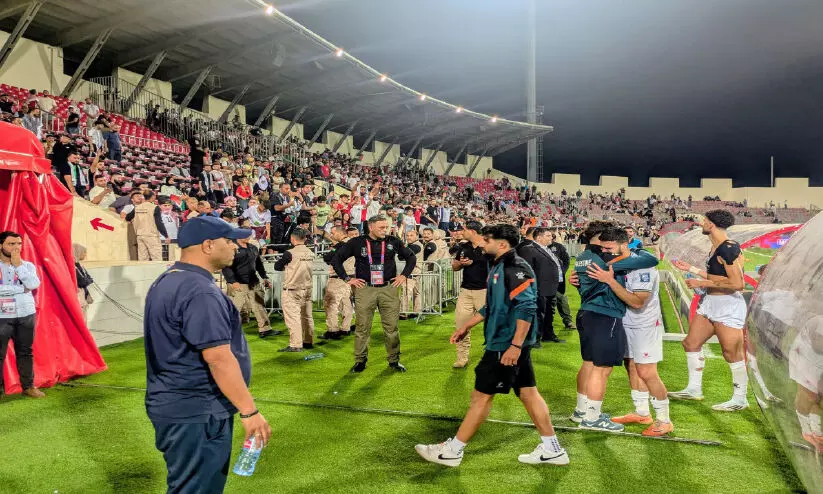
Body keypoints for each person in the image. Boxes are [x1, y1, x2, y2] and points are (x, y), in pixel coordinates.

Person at [414, 224, 568, 467]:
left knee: (481, 396)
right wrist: (467, 326)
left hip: (506, 344)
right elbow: (493, 305)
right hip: (508, 342)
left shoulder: (515, 267)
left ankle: (452, 451)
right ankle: (553, 449)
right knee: (528, 393)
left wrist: (515, 346)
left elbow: (527, 307)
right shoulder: (497, 264)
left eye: (487, 240)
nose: (482, 244)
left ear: (502, 244)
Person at [144, 216, 271, 493]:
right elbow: (218, 358)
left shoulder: (169, 279)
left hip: (179, 405)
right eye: (229, 240)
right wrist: (249, 411)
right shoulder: (199, 290)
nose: (235, 246)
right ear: (208, 245)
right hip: (197, 409)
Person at [571, 224, 659, 432]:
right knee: (602, 369)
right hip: (604, 315)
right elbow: (650, 259)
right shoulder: (606, 260)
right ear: (598, 237)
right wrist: (630, 249)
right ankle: (592, 418)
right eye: (604, 240)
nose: (606, 247)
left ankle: (581, 411)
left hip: (586, 313)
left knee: (589, 364)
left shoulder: (583, 257)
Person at [586, 236, 673, 436]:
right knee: (631, 366)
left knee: (647, 371)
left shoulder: (643, 267)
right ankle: (642, 412)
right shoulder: (620, 264)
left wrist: (609, 280)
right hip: (625, 322)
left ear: (624, 245)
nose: (605, 251)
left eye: (609, 247)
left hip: (644, 325)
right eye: (603, 248)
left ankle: (664, 420)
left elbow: (637, 302)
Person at [669, 209, 749, 411]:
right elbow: (718, 277)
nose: (702, 224)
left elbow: (738, 284)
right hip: (710, 303)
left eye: (704, 221)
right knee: (690, 343)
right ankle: (694, 389)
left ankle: (740, 399)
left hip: (728, 306)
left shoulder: (728, 248)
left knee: (731, 353)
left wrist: (700, 282)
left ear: (711, 224)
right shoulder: (717, 247)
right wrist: (691, 269)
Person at [330, 215, 416, 373]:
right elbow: (336, 260)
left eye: (386, 227)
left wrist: (404, 275)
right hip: (365, 289)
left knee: (392, 327)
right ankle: (360, 361)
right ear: (371, 227)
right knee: (362, 327)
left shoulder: (393, 241)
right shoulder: (357, 242)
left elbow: (411, 257)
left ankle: (394, 360)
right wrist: (348, 279)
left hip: (388, 288)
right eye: (381, 227)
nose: (385, 230)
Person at [0, 231, 44, 398]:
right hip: (3, 314)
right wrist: (20, 289)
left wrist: (18, 265)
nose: (16, 247)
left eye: (19, 244)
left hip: (26, 313)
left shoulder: (27, 266)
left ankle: (28, 386)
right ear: (1, 246)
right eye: (11, 244)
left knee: (25, 351)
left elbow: (33, 284)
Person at [450, 220, 489, 368]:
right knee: (461, 325)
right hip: (465, 291)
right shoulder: (464, 246)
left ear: (472, 231)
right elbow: (454, 267)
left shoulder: (488, 245)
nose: (462, 232)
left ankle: (494, 355)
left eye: (464, 229)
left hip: (485, 291)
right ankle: (462, 358)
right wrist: (461, 263)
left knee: (492, 325)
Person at [222, 234, 276, 339]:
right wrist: (232, 281)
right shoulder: (232, 247)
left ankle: (265, 329)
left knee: (259, 305)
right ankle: (225, 331)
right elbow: (226, 266)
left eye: (249, 235)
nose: (248, 237)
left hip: (253, 281)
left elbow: (259, 264)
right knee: (234, 307)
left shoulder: (253, 248)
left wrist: (265, 277)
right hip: (238, 283)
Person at [516, 227, 562, 345]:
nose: (551, 237)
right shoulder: (528, 249)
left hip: (550, 287)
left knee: (549, 313)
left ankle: (548, 334)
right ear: (539, 238)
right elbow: (526, 270)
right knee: (538, 314)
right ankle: (534, 338)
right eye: (548, 235)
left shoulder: (546, 249)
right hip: (539, 288)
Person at [274, 228, 316, 352]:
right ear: (305, 238)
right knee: (307, 316)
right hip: (307, 288)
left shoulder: (289, 253)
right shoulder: (310, 252)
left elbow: (277, 266)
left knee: (293, 318)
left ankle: (296, 344)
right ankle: (308, 340)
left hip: (293, 289)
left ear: (292, 239)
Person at [321, 226, 355, 340]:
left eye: (333, 233)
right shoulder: (353, 244)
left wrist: (333, 249)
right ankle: (346, 328)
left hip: (337, 278)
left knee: (331, 304)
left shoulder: (340, 245)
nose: (331, 235)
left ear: (340, 233)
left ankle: (333, 330)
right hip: (349, 278)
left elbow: (327, 258)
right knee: (345, 303)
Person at [125, 190, 163, 261]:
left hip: (140, 235)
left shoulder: (137, 207)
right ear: (153, 197)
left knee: (142, 258)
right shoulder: (155, 207)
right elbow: (159, 223)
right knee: (156, 257)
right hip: (151, 235)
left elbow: (128, 217)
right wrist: (166, 235)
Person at [548, 231, 575, 330]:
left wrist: (563, 271)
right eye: (547, 236)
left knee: (561, 298)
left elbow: (566, 260)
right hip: (544, 280)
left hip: (558, 279)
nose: (549, 238)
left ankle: (568, 321)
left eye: (550, 236)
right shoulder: (538, 248)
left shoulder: (559, 247)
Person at [400, 229, 424, 320]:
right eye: (407, 235)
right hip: (416, 271)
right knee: (416, 293)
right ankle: (416, 312)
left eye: (411, 235)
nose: (409, 237)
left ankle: (403, 313)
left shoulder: (416, 246)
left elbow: (401, 256)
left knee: (406, 292)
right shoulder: (414, 245)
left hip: (411, 272)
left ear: (417, 236)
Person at [73, 243, 94, 323]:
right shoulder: (72, 266)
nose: (85, 254)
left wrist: (86, 280)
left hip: (83, 298)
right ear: (78, 252)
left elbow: (89, 278)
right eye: (84, 252)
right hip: (78, 299)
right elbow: (82, 282)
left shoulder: (79, 265)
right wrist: (86, 280)